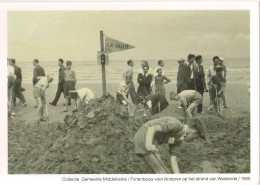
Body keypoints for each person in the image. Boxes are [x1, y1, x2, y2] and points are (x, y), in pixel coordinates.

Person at [134, 116, 202, 174]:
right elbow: (152, 128)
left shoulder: (179, 139)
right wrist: (148, 144)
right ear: (194, 132)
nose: (194, 140)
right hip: (144, 135)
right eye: (195, 138)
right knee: (161, 172)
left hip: (153, 142)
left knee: (165, 172)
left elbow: (173, 159)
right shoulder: (176, 124)